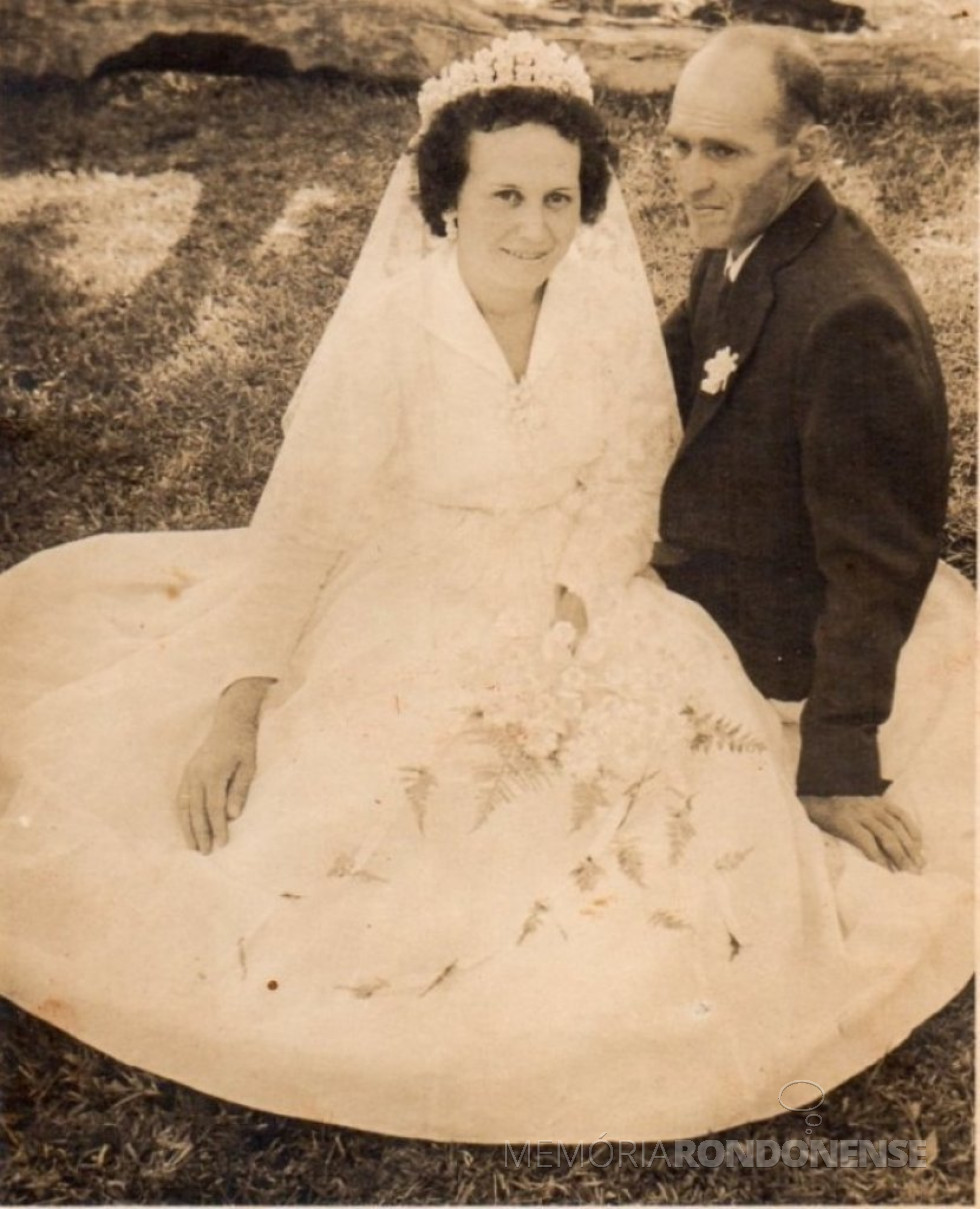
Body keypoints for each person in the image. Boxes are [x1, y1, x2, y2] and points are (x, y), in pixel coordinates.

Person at [0, 33, 971, 1145]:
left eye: (559, 199)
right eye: (503, 195)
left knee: (649, 825)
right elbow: (309, 517)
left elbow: (625, 473)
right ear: (444, 201)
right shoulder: (398, 333)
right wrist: (241, 696)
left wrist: (573, 597)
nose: (533, 228)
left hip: (587, 597)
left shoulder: (669, 313)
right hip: (416, 588)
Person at [655, 24, 975, 876]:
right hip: (710, 572)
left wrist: (837, 764)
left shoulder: (849, 318)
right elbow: (661, 369)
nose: (690, 178)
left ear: (807, 153)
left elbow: (878, 559)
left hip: (776, 640)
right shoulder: (739, 242)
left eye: (721, 151)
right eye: (678, 146)